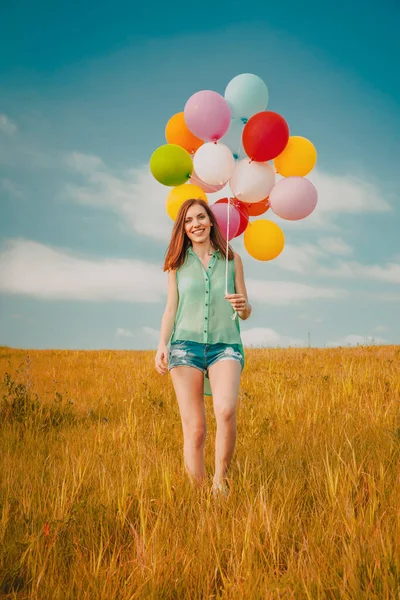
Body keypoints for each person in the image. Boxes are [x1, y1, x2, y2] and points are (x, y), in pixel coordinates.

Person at [155, 198, 252, 496]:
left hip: (226, 347)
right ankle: (197, 496)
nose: (195, 224)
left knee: (225, 410)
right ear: (183, 228)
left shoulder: (232, 260)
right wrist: (162, 345)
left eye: (200, 217)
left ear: (211, 221)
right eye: (188, 220)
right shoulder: (177, 264)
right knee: (195, 429)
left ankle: (220, 482)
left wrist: (243, 305)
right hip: (184, 348)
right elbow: (172, 308)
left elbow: (245, 311)